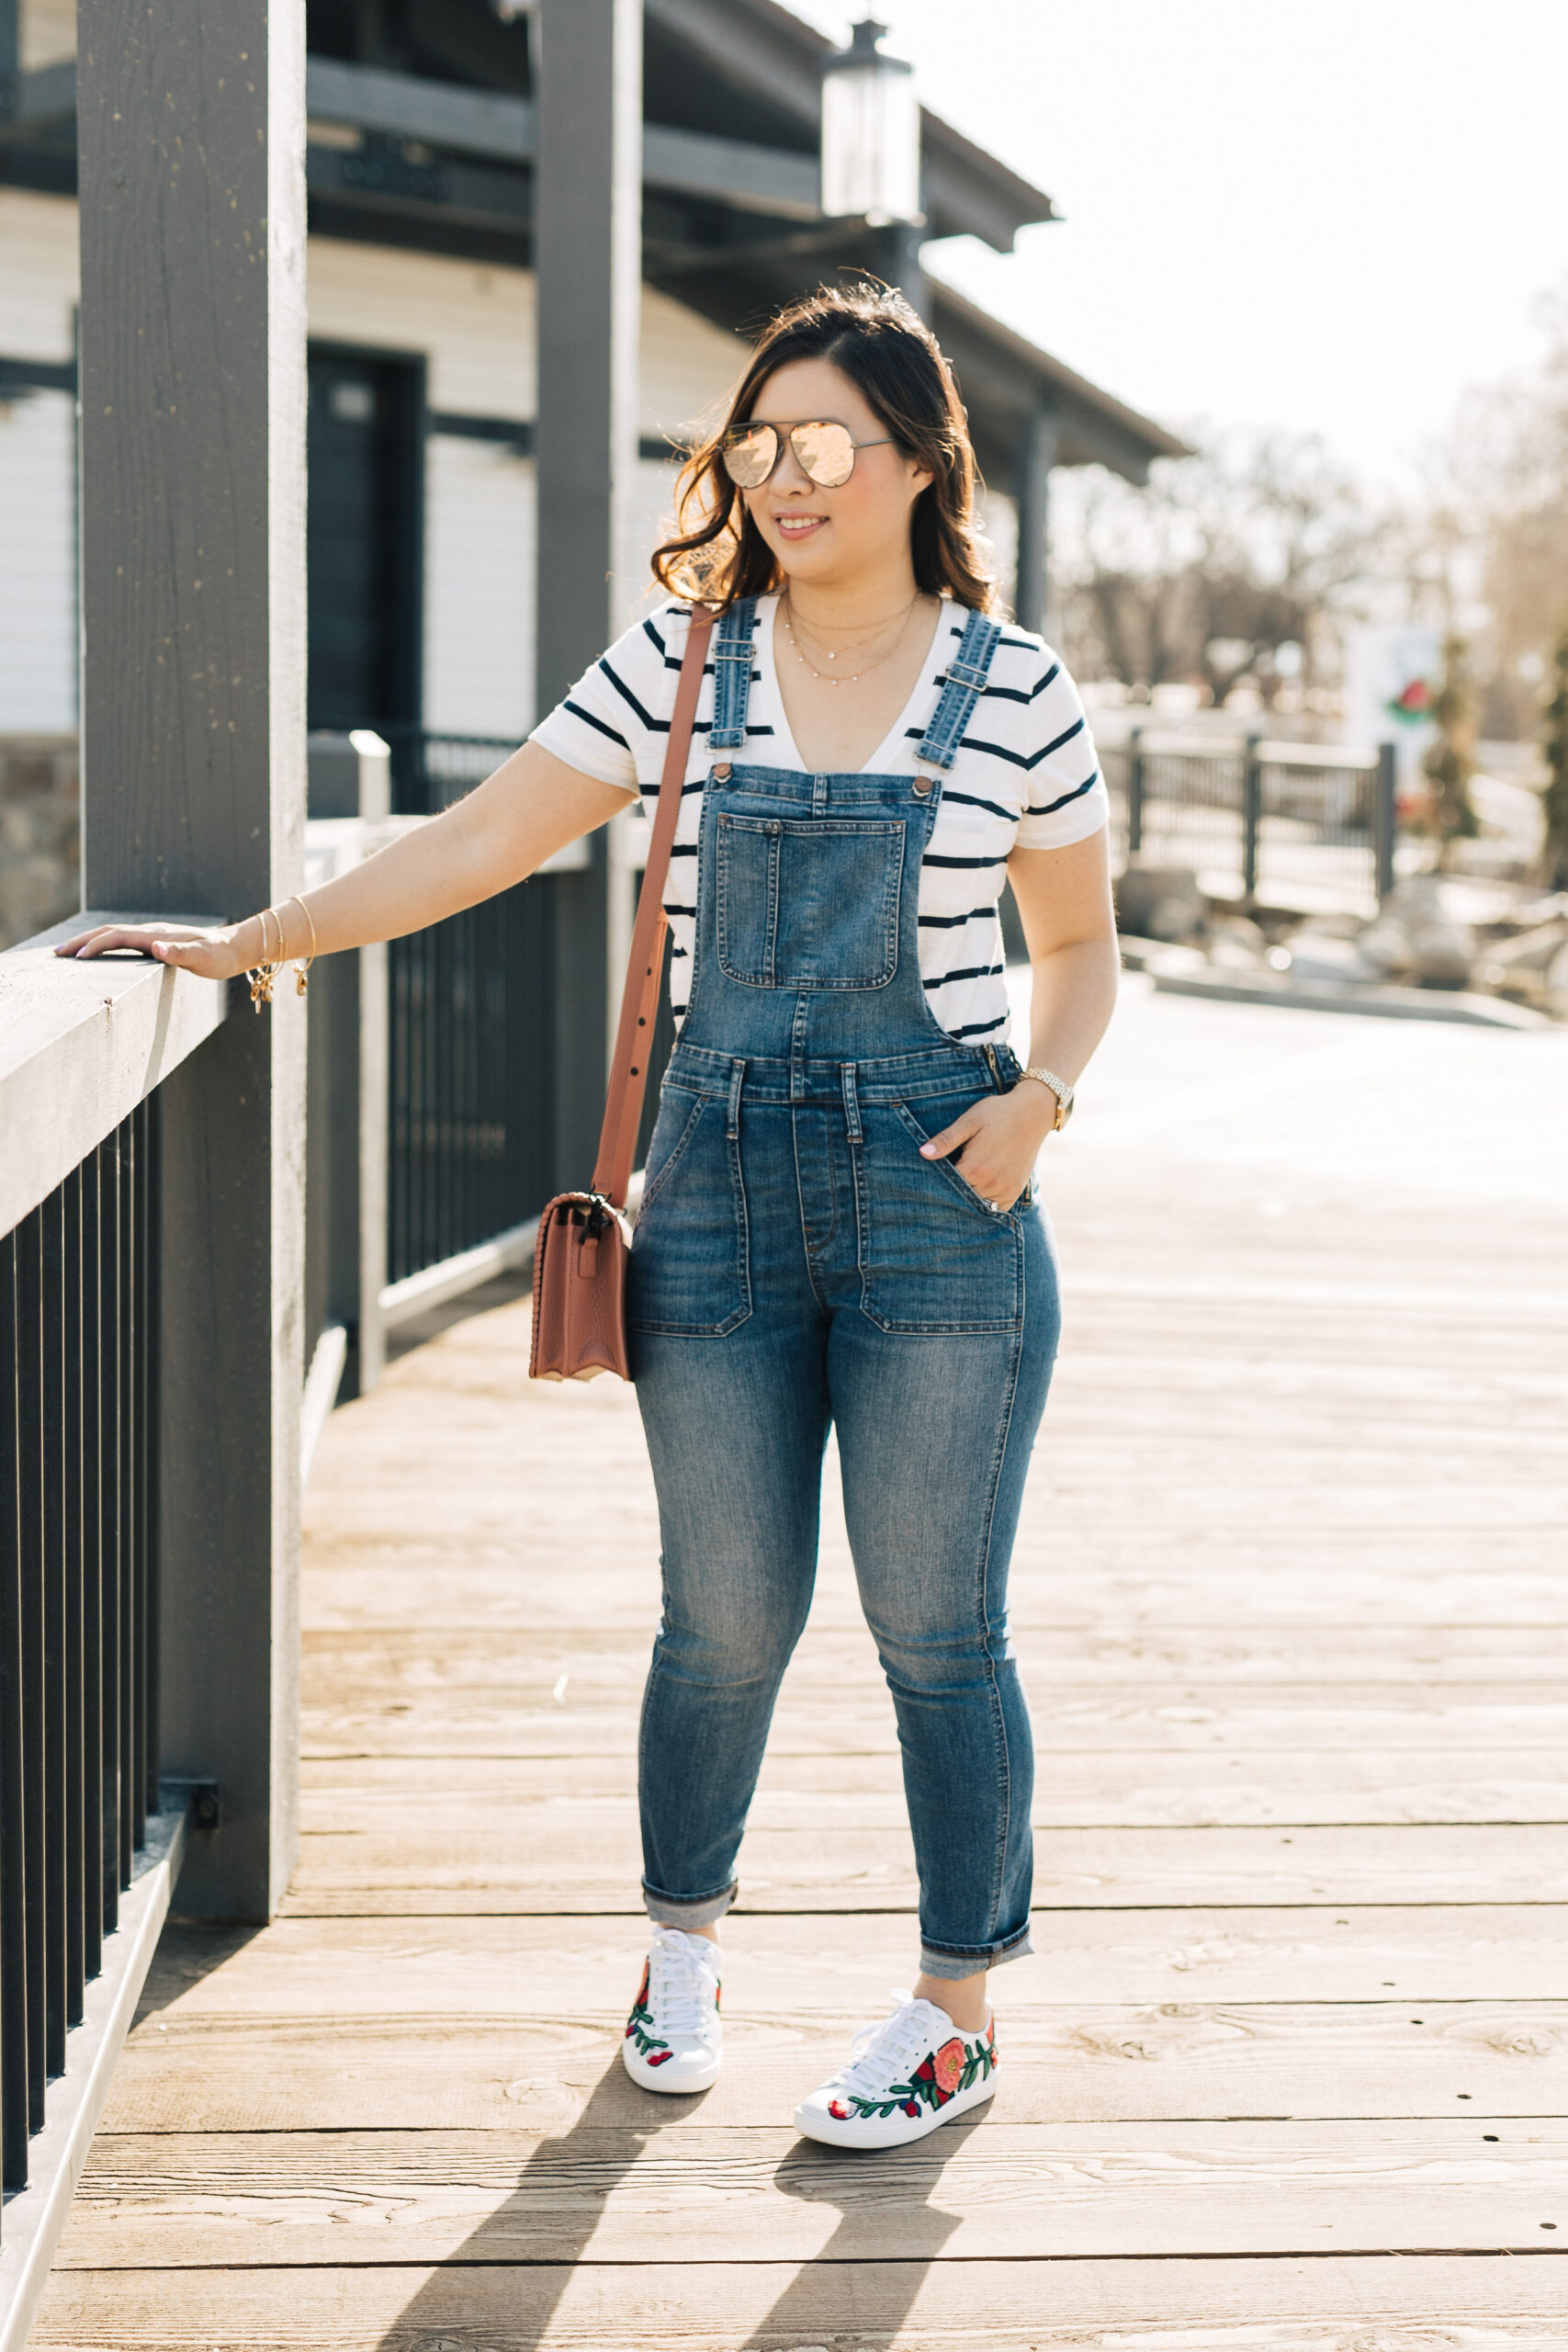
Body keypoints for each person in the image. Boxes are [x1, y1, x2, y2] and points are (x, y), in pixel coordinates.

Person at [59, 281, 1119, 2153]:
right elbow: (477, 837)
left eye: (822, 442)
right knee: (717, 1616)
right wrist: (249, 945)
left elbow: (1079, 952)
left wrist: (1037, 1104)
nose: (781, 475)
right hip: (705, 1202)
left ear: (914, 461)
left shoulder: (1014, 686)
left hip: (941, 1208)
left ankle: (952, 2005)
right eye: (756, 441)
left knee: (938, 1625)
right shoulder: (680, 659)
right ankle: (680, 1954)